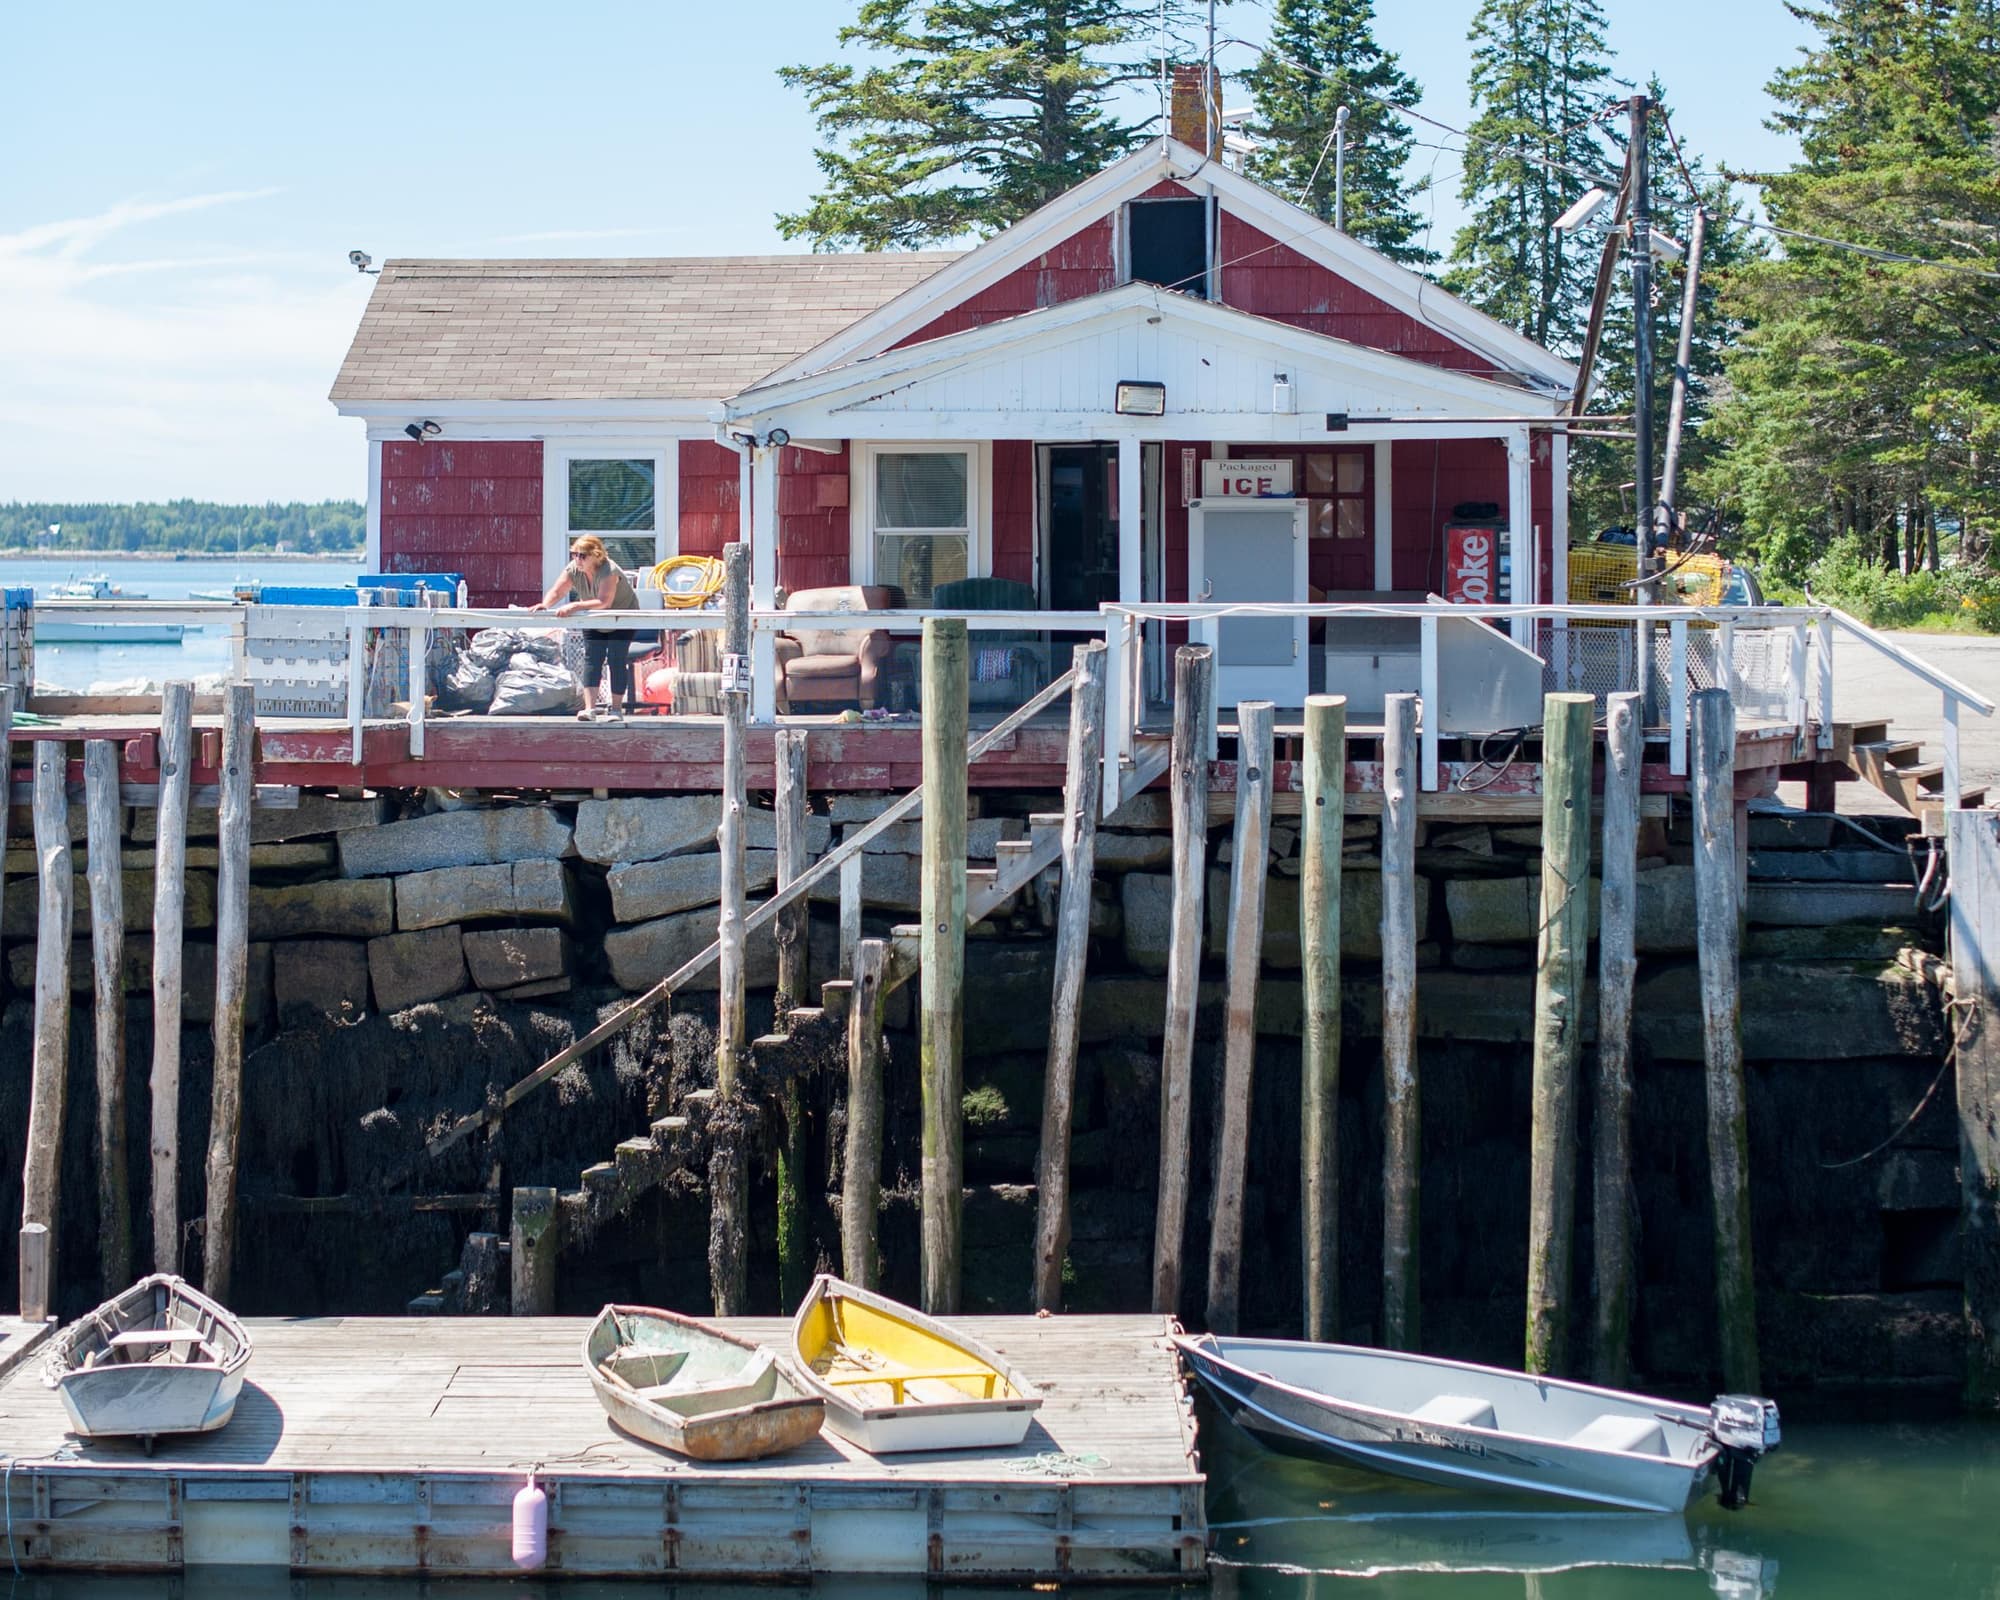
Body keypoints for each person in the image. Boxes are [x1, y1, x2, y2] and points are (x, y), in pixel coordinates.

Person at [538, 535, 639, 721]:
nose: (577, 559)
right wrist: (546, 604)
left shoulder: (609, 570)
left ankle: (616, 710)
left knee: (616, 659)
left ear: (596, 555)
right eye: (574, 554)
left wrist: (575, 606)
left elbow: (604, 602)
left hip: (621, 617)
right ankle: (590, 709)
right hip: (593, 617)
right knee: (592, 658)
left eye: (582, 555)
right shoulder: (573, 569)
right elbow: (558, 590)